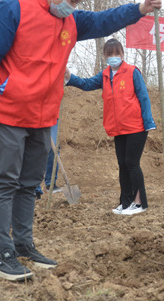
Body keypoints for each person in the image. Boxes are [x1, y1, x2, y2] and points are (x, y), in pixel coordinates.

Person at [0, 0, 161, 282]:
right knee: (5, 181)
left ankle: (24, 243)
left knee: (30, 183)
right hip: (8, 112)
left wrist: (139, 8)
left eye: (78, 2)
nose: (74, 6)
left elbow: (102, 20)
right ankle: (2, 254)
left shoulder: (69, 19)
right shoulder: (13, 9)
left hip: (43, 117)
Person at [66, 38, 155, 216]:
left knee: (132, 163)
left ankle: (140, 203)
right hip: (118, 128)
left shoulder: (132, 72)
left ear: (122, 54)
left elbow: (143, 96)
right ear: (105, 56)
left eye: (117, 53)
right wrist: (69, 77)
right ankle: (126, 201)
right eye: (110, 54)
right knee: (122, 164)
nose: (113, 57)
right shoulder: (105, 75)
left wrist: (149, 122)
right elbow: (87, 84)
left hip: (136, 126)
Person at [34, 120, 60, 200]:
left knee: (54, 147)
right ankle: (35, 188)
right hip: (34, 115)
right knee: (34, 148)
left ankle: (51, 183)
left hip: (51, 115)